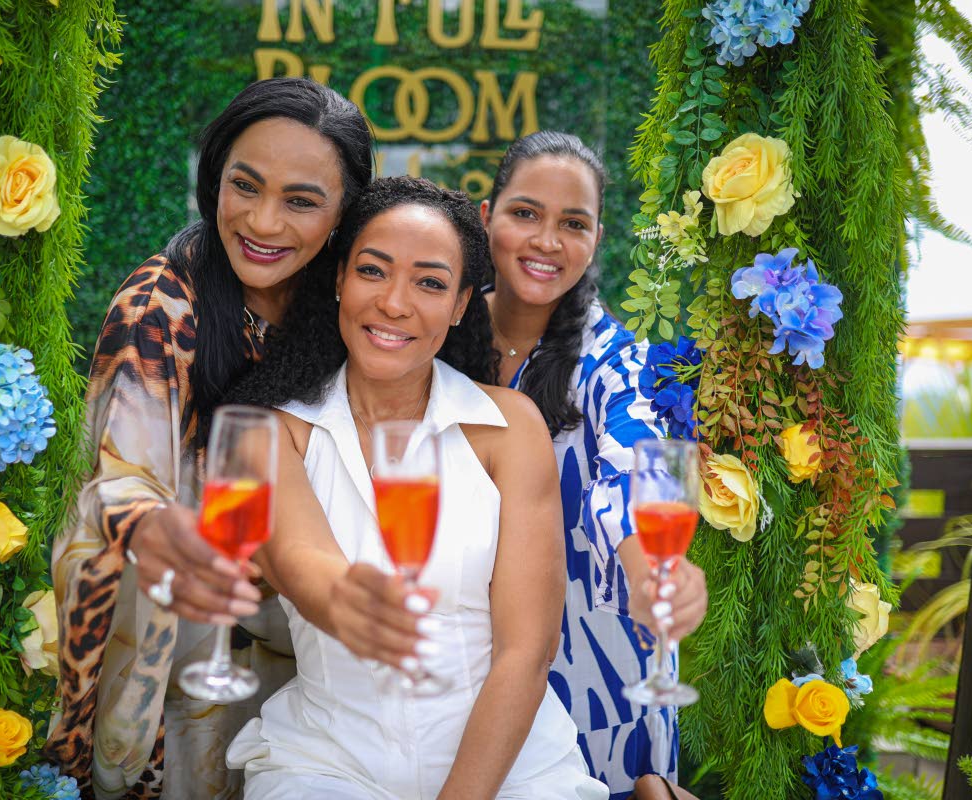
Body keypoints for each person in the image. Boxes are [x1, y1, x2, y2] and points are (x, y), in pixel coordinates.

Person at [223, 176, 608, 799]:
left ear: (459, 305)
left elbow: (525, 652)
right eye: (373, 272)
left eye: (429, 283)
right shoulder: (269, 435)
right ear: (340, 279)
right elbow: (307, 568)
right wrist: (353, 604)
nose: (395, 304)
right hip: (326, 765)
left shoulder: (509, 428)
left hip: (513, 769)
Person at [47, 77, 374, 799]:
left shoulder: (347, 307)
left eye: (300, 200)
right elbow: (120, 477)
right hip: (193, 663)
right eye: (244, 186)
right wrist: (155, 528)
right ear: (213, 178)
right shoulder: (158, 308)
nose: (263, 222)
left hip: (313, 663)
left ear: (343, 213)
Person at [480, 131, 709, 797]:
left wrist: (651, 574)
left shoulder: (616, 360)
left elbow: (638, 461)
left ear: (596, 237)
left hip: (593, 670)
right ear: (486, 214)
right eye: (526, 213)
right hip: (472, 652)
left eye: (572, 224)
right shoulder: (443, 331)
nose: (548, 241)